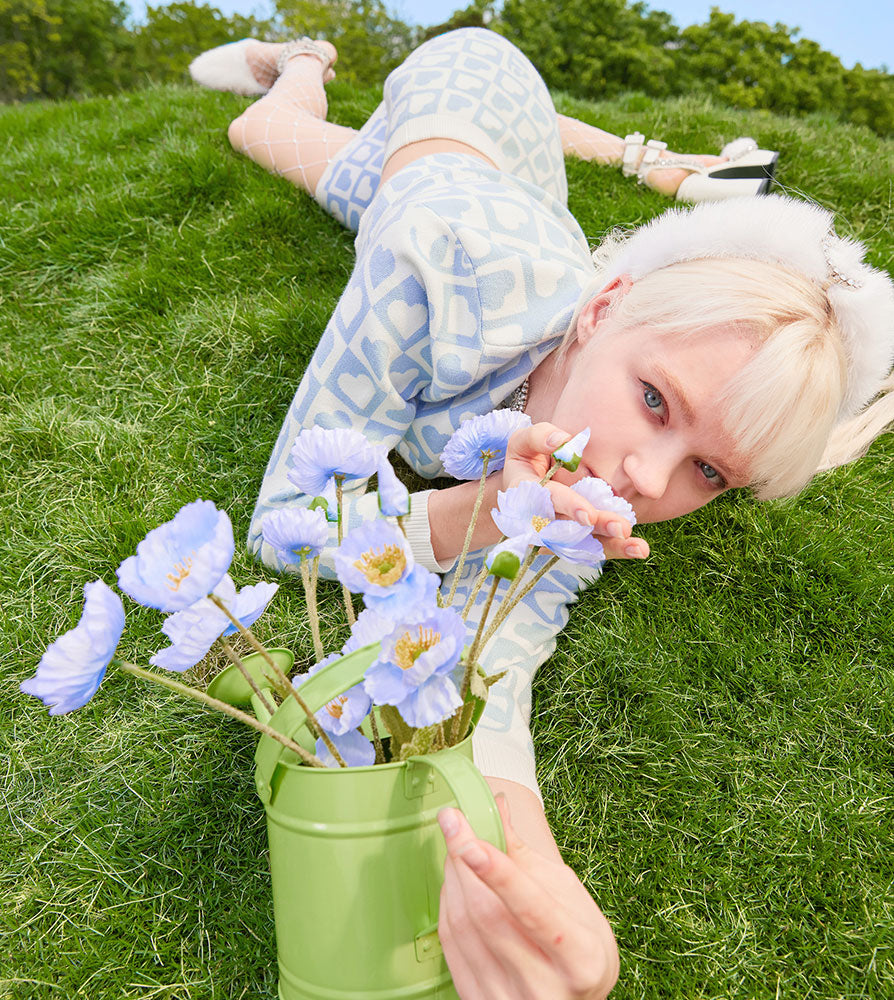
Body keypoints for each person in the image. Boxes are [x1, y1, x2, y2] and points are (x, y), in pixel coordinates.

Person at [189, 28, 894, 999]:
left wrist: (534, 860)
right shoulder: (426, 269)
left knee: (428, 162)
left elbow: (500, 651)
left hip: (527, 195)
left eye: (709, 471)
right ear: (603, 309)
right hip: (460, 101)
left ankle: (615, 154)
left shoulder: (602, 472)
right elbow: (288, 517)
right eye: (656, 400)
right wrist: (469, 515)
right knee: (262, 133)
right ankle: (305, 59)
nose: (645, 479)